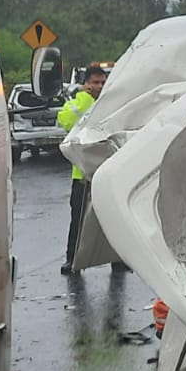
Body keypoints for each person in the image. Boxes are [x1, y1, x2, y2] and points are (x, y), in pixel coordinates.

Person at [57, 66, 107, 274]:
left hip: (106, 171)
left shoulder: (111, 102)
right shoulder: (80, 102)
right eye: (95, 83)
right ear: (86, 84)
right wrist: (86, 99)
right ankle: (73, 259)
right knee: (78, 220)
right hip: (83, 175)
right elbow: (66, 121)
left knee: (111, 219)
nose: (99, 87)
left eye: (103, 83)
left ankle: (118, 260)